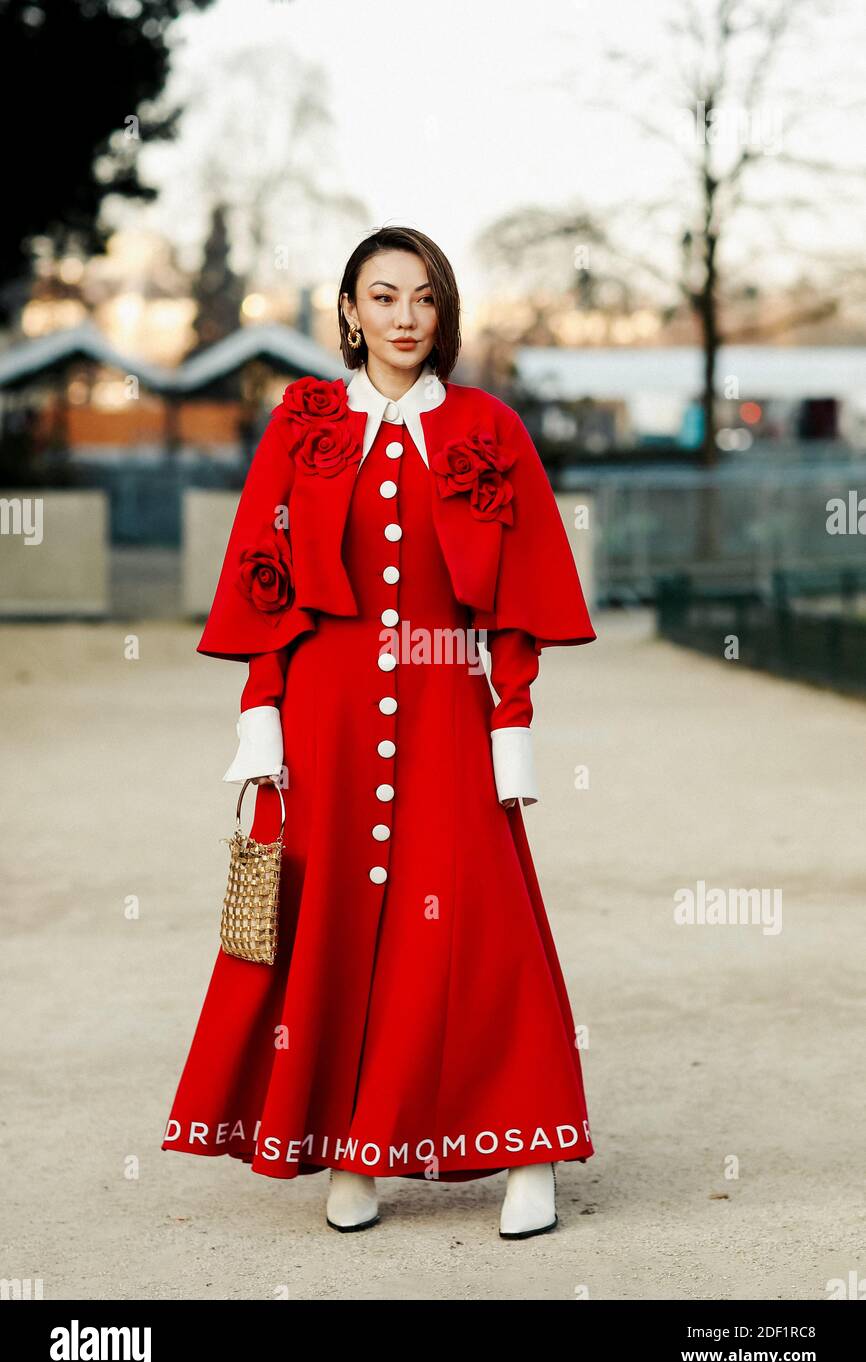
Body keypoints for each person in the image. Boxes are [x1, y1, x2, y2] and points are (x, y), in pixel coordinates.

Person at [162, 226, 597, 1239]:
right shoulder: (302, 422)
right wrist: (262, 712)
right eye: (384, 296)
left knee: (485, 924)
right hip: (328, 715)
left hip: (449, 707)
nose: (406, 316)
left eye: (425, 297)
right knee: (336, 929)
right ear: (350, 313)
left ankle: (528, 1147)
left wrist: (510, 720)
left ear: (445, 313)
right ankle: (351, 1148)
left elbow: (518, 600)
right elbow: (265, 580)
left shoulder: (487, 426)